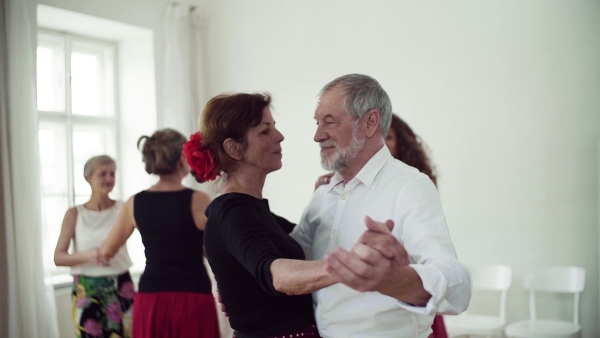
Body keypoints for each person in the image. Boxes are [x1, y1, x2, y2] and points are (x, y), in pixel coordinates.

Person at [291, 74, 471, 337]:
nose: (317, 135)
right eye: (317, 123)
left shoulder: (410, 186)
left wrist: (396, 280)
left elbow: (458, 285)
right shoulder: (323, 194)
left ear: (370, 122)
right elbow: (295, 256)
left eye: (329, 121)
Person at [187, 93, 339, 338]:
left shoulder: (251, 209)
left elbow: (302, 239)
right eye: (265, 131)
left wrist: (321, 199)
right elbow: (276, 275)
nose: (279, 136)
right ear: (234, 148)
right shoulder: (234, 212)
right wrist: (346, 269)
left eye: (274, 128)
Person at [99, 129, 219, 338]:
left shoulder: (134, 202)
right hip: (193, 297)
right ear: (182, 159)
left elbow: (107, 251)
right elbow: (219, 250)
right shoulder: (198, 199)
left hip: (152, 297)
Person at [54, 155, 135, 338]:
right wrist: (89, 255)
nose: (109, 179)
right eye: (103, 174)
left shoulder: (124, 208)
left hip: (120, 284)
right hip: (86, 287)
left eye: (112, 174)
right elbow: (58, 257)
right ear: (87, 177)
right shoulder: (75, 213)